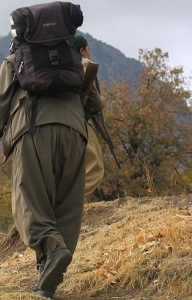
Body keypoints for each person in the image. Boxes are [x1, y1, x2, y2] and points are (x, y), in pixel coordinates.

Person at [0, 36, 87, 300]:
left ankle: (51, 248)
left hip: (33, 128)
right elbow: (94, 103)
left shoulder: (16, 59)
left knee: (28, 199)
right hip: (76, 133)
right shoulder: (73, 58)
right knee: (67, 205)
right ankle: (47, 280)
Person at [74, 34, 105, 199]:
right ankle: (73, 206)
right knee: (95, 169)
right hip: (81, 121)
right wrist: (101, 101)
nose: (89, 51)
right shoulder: (85, 65)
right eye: (88, 48)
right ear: (82, 50)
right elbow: (93, 102)